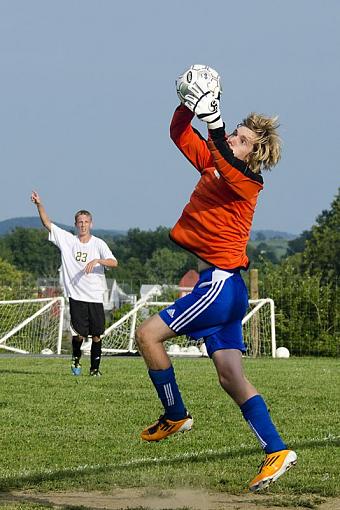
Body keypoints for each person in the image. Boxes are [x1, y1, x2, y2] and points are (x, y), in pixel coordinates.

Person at [135, 71, 297, 492]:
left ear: (253, 153)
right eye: (234, 134)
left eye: (240, 139)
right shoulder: (217, 159)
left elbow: (224, 158)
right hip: (226, 286)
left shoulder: (248, 180)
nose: (230, 142)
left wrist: (217, 122)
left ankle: (175, 415)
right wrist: (190, 105)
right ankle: (276, 450)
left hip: (221, 287)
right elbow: (177, 132)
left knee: (148, 336)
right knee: (231, 378)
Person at [31, 191, 118, 376]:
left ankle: (95, 370)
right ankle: (76, 358)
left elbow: (114, 262)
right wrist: (39, 204)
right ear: (76, 225)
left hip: (95, 296)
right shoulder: (68, 241)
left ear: (91, 224)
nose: (83, 225)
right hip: (76, 295)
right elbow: (47, 223)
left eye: (86, 222)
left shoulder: (99, 244)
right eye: (80, 222)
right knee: (78, 335)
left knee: (96, 335)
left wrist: (98, 261)